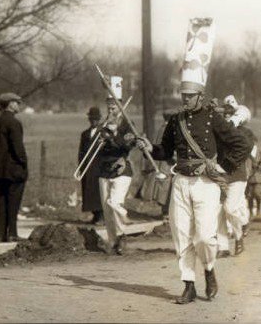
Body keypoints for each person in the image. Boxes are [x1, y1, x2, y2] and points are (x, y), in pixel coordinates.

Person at [137, 18, 250, 304]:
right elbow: (164, 151)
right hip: (180, 182)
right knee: (181, 235)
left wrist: (220, 166)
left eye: (190, 97)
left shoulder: (214, 118)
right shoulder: (175, 121)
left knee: (204, 238)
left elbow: (242, 144)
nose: (185, 101)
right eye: (183, 96)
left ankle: (209, 269)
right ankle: (188, 283)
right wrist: (149, 147)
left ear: (201, 95)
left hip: (205, 184)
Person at [96, 76, 136, 256]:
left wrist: (113, 136)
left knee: (115, 203)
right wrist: (101, 134)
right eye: (109, 104)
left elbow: (127, 145)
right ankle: (113, 242)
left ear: (121, 104)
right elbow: (95, 146)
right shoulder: (103, 123)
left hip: (121, 169)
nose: (111, 107)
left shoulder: (127, 123)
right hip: (104, 170)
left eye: (114, 104)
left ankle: (123, 233)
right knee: (106, 209)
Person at [0, 93, 27, 242]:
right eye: (17, 102)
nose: (18, 105)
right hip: (14, 169)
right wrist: (23, 163)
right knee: (13, 202)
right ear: (10, 104)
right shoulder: (14, 123)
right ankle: (12, 234)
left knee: (0, 201)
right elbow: (18, 149)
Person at [216, 99, 255, 258]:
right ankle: (223, 247)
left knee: (230, 208)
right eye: (224, 115)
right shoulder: (218, 133)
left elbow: (246, 149)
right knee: (218, 212)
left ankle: (240, 233)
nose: (226, 117)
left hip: (237, 174)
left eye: (229, 114)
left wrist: (231, 129)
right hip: (219, 174)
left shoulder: (245, 132)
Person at [77, 106, 104, 224]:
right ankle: (95, 215)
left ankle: (101, 216)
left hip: (98, 167)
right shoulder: (85, 134)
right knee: (88, 191)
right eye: (92, 119)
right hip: (87, 167)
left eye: (96, 119)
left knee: (98, 192)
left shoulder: (103, 133)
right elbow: (81, 151)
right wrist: (80, 167)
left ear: (99, 119)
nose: (94, 121)